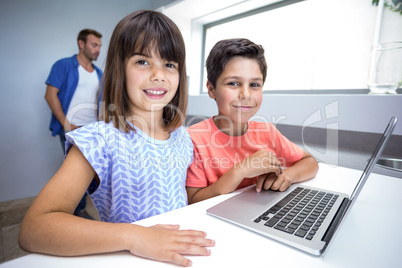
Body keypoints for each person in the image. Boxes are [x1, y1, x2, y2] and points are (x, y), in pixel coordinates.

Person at [19, 10, 214, 267]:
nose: (159, 74)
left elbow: (187, 199)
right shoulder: (99, 140)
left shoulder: (182, 138)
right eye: (143, 61)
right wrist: (136, 236)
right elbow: (34, 229)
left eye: (169, 64)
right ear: (119, 68)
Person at [186, 38, 319, 204]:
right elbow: (193, 200)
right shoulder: (193, 139)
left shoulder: (267, 132)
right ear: (212, 89)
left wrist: (288, 176)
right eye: (233, 83)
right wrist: (241, 170)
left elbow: (310, 162)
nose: (246, 94)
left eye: (254, 84)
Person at [44, 28, 103, 219]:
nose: (98, 50)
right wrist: (66, 123)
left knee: (94, 170)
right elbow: (50, 95)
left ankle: (85, 208)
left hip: (94, 128)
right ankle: (76, 212)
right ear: (81, 44)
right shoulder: (64, 65)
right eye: (94, 45)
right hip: (72, 128)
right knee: (76, 172)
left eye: (100, 46)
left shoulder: (99, 73)